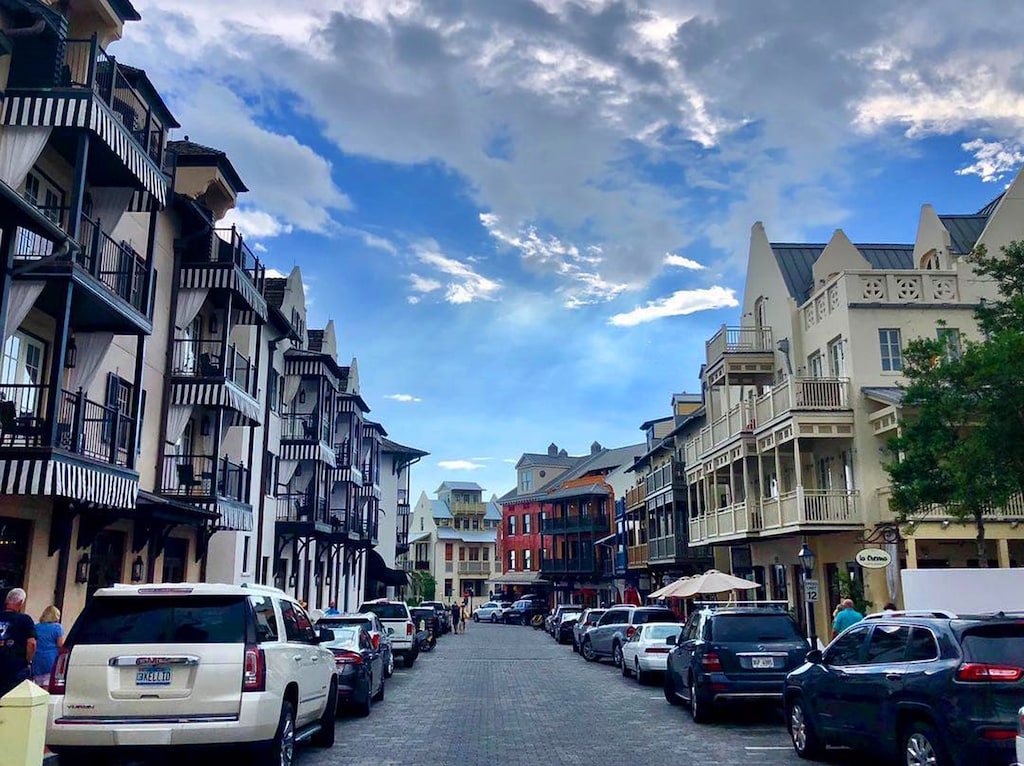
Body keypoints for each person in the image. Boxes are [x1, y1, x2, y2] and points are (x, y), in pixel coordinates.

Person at [0, 589, 36, 697]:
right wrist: (27, 661)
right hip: (16, 667)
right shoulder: (25, 620)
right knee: (14, 699)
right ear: (20, 602)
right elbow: (32, 643)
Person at [31, 605, 63, 687]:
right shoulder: (57, 627)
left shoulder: (36, 627)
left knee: (37, 685)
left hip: (37, 659)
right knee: (47, 685)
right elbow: (60, 645)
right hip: (51, 659)